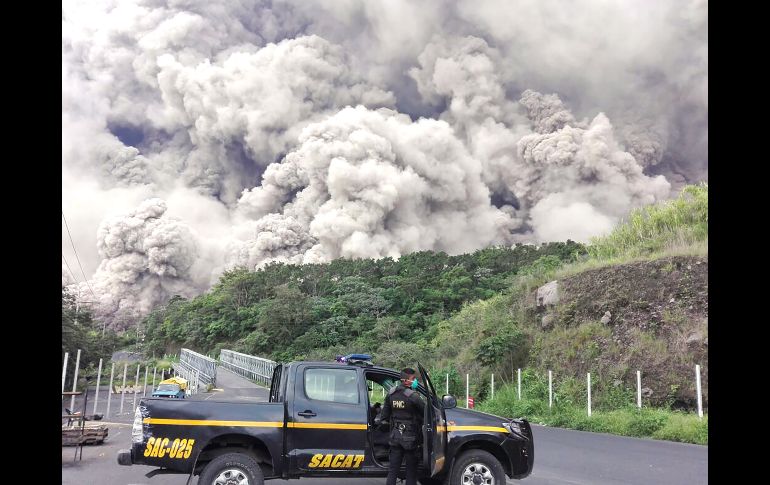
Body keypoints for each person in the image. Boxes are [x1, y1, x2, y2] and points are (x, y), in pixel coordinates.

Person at [375, 368, 425, 485]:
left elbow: (384, 417)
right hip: (411, 438)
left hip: (395, 437)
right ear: (406, 381)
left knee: (393, 470)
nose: (415, 381)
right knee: (411, 471)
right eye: (413, 379)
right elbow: (426, 413)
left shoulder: (391, 394)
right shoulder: (414, 396)